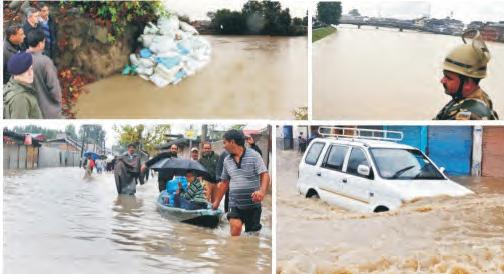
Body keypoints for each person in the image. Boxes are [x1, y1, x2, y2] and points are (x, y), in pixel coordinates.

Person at [212, 130, 270, 236]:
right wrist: (216, 202)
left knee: (253, 236)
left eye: (225, 142)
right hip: (235, 203)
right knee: (236, 227)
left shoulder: (254, 155)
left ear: (232, 142)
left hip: (253, 205)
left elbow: (265, 175)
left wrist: (262, 192)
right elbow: (224, 183)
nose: (223, 146)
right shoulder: (227, 160)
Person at [435, 30, 498, 120]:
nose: (442, 80)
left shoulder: (468, 116)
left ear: (468, 83)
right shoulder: (478, 96)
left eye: (449, 78)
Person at [26, 29, 62, 118]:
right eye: (44, 41)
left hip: (29, 107)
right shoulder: (45, 62)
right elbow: (54, 88)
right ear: (40, 44)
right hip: (45, 108)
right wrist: (58, 102)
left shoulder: (21, 58)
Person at [3, 52, 43, 119]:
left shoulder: (12, 84)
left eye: (31, 69)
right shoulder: (20, 99)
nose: (31, 73)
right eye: (25, 71)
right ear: (16, 74)